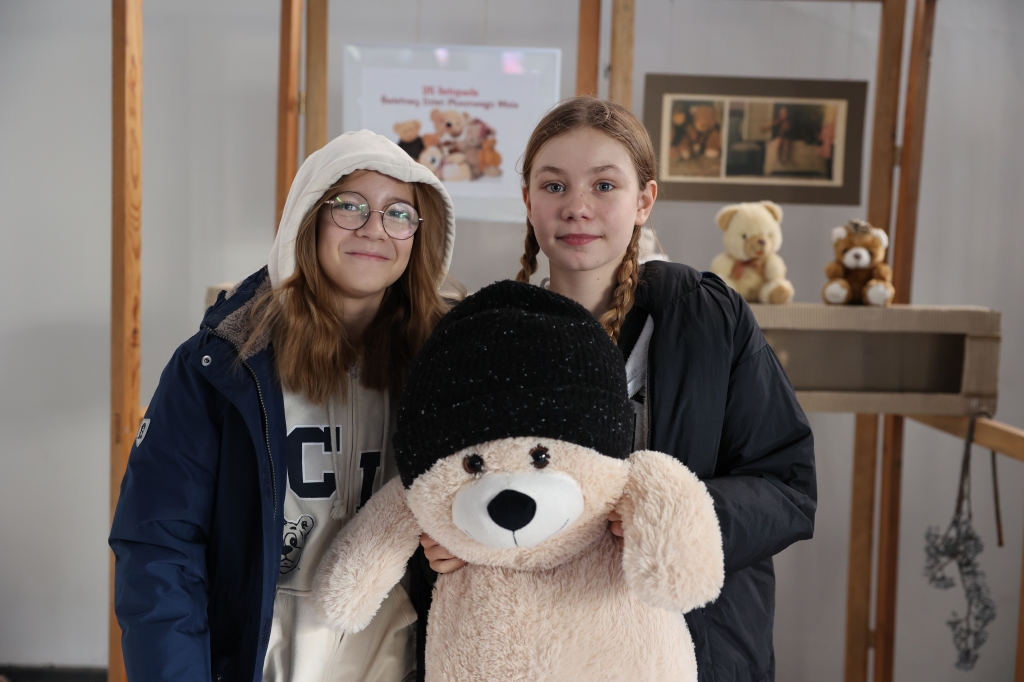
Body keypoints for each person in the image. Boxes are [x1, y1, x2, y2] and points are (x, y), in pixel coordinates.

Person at [109, 129, 457, 682]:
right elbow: (160, 548)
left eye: (398, 214)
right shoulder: (222, 364)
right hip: (260, 658)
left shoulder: (446, 364)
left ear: (420, 234)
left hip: (395, 656)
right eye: (350, 206)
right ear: (308, 217)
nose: (374, 228)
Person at [513, 96, 816, 682]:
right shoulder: (492, 335)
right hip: (548, 652)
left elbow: (788, 487)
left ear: (644, 201)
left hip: (696, 650)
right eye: (554, 186)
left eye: (604, 185)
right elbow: (452, 489)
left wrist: (681, 515)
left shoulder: (708, 317)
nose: (577, 207)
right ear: (528, 199)